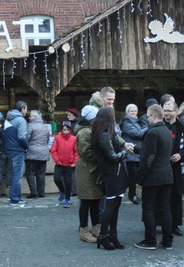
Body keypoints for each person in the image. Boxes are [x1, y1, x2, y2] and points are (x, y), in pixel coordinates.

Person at [134, 104, 174, 250]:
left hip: (153, 177)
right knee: (164, 208)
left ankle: (150, 240)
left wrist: (139, 177)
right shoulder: (166, 131)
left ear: (154, 116)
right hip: (167, 175)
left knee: (149, 208)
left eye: (148, 116)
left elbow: (149, 158)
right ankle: (167, 240)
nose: (147, 119)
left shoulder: (152, 133)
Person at [91, 106, 128, 250]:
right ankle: (103, 235)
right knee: (111, 206)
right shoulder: (104, 135)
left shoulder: (105, 133)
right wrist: (125, 153)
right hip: (112, 174)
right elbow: (112, 157)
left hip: (115, 173)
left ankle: (112, 235)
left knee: (116, 205)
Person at [162, 100, 184, 236]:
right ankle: (160, 223)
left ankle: (174, 225)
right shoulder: (159, 125)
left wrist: (180, 155)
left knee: (175, 196)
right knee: (161, 196)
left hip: (176, 168)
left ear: (176, 112)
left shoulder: (182, 128)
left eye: (169, 110)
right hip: (161, 167)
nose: (166, 113)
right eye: (165, 110)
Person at [75, 105, 103, 243]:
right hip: (87, 169)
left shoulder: (88, 130)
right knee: (86, 201)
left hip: (91, 169)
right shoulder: (85, 132)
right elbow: (86, 152)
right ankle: (84, 231)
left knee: (95, 201)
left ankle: (96, 228)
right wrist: (101, 155)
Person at [120, 103, 148, 204]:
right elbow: (137, 134)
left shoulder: (137, 122)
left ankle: (133, 193)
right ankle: (132, 195)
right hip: (131, 153)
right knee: (132, 176)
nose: (133, 112)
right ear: (127, 112)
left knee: (135, 175)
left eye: (135, 111)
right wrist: (147, 127)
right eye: (131, 111)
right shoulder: (127, 122)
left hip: (137, 153)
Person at [3, 101, 29, 207]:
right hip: (18, 151)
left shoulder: (7, 119)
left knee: (14, 174)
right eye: (26, 109)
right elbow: (22, 137)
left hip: (9, 150)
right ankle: (15, 199)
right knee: (17, 176)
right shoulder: (21, 120)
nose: (27, 111)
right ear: (22, 109)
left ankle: (13, 197)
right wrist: (26, 147)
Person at [50, 121, 77, 208]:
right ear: (61, 130)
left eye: (67, 130)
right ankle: (62, 191)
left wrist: (74, 162)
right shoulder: (57, 138)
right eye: (64, 129)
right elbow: (53, 150)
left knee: (68, 182)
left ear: (70, 130)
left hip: (69, 164)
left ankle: (67, 199)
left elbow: (76, 152)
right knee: (56, 179)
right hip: (60, 164)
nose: (65, 131)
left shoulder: (73, 139)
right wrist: (57, 161)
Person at [25, 110, 50, 199]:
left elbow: (26, 138)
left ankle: (34, 192)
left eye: (31, 116)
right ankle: (41, 192)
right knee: (41, 173)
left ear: (35, 117)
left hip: (32, 151)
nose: (29, 117)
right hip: (43, 152)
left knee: (30, 173)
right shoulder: (45, 127)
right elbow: (47, 140)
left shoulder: (30, 125)